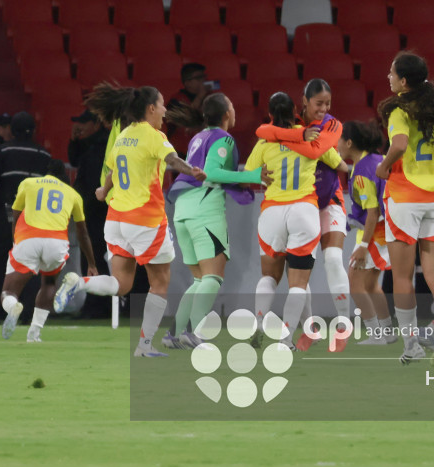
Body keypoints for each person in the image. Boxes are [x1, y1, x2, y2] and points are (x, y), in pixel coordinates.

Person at [53, 83, 206, 357]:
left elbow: (112, 169)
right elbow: (171, 159)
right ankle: (144, 346)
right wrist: (191, 170)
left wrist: (104, 190)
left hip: (116, 220)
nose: (164, 110)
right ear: (150, 108)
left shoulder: (123, 136)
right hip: (145, 218)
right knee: (160, 282)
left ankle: (79, 283)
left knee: (121, 284)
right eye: (161, 105)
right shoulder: (153, 135)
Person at [161, 93, 272, 349]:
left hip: (182, 210)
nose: (234, 110)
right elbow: (211, 172)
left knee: (200, 280)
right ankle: (191, 330)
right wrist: (254, 175)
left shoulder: (197, 138)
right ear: (226, 115)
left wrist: (241, 182)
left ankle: (174, 333)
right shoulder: (223, 138)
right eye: (232, 106)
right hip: (204, 208)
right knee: (213, 277)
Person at [375, 52, 434, 367]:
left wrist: (385, 167)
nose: (389, 76)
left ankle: (412, 345)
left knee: (402, 276)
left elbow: (398, 145)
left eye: (392, 72)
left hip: (405, 199)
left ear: (404, 80)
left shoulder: (399, 109)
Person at [254, 79, 352, 351]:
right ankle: (310, 329)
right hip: (302, 204)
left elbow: (320, 150)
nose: (324, 109)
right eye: (319, 103)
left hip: (328, 200)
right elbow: (262, 129)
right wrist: (293, 136)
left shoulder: (332, 125)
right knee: (299, 271)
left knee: (332, 258)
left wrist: (283, 139)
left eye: (328, 103)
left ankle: (343, 324)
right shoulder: (293, 123)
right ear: (304, 102)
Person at [0, 160, 100, 342]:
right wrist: (91, 263)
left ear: (46, 172)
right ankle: (34, 333)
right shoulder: (73, 194)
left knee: (8, 291)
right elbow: (82, 233)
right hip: (57, 244)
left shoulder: (28, 184)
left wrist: (16, 241)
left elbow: (15, 214)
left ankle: (13, 306)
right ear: (65, 177)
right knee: (49, 283)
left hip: (28, 239)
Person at [0, 112, 51, 325]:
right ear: (33, 131)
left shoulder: (2, 151)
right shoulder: (44, 155)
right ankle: (28, 313)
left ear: (12, 131)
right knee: (29, 266)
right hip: (32, 220)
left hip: (2, 218)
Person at [338, 120, 396, 346]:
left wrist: (363, 246)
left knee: (355, 283)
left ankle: (377, 335)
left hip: (374, 233)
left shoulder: (361, 173)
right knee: (371, 285)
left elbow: (372, 212)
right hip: (386, 229)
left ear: (350, 142)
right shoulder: (378, 160)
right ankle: (387, 332)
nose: (338, 146)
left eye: (340, 141)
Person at [69, 111, 112, 318]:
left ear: (96, 124)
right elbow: (75, 160)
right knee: (94, 257)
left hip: (97, 210)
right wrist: (74, 140)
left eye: (83, 122)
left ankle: (98, 305)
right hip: (97, 208)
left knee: (93, 257)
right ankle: (99, 303)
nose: (80, 126)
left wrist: (85, 209)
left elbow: (94, 180)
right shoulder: (92, 143)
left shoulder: (101, 145)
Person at [166, 63, 214, 157]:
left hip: (205, 148)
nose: (204, 80)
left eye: (204, 76)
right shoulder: (176, 101)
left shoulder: (209, 98)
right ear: (187, 83)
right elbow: (187, 119)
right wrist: (200, 95)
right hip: (181, 152)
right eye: (199, 78)